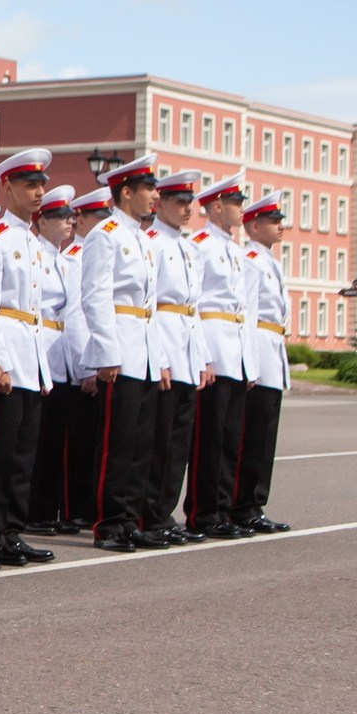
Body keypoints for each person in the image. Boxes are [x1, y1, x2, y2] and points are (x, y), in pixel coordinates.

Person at [0, 149, 59, 566]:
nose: (39, 192)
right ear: (7, 188)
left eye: (41, 184)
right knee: (0, 453)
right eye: (31, 185)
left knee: (24, 452)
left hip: (31, 350)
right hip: (8, 346)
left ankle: (11, 530)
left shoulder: (33, 241)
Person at [80, 156, 168, 551]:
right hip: (121, 350)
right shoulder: (107, 234)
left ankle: (130, 519)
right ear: (126, 192)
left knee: (140, 444)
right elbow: (95, 296)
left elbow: (151, 306)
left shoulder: (141, 238)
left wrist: (159, 358)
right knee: (117, 444)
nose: (155, 196)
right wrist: (107, 351)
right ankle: (110, 523)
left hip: (144, 350)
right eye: (148, 189)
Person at [145, 169, 212, 543]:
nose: (187, 209)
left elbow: (195, 307)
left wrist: (200, 359)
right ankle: (150, 512)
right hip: (164, 343)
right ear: (161, 203)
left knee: (178, 441)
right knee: (158, 439)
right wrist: (160, 358)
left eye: (190, 202)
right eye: (180, 202)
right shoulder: (151, 242)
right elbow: (149, 305)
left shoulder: (190, 248)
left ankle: (165, 511)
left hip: (186, 346)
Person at [187, 171, 255, 538]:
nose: (241, 209)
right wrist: (203, 356)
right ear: (216, 207)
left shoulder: (233, 248)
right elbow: (192, 303)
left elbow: (242, 307)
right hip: (213, 343)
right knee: (209, 438)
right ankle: (203, 512)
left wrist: (249, 360)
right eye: (235, 203)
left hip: (235, 347)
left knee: (230, 438)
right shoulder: (200, 244)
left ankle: (223, 510)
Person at [51, 187, 113, 535]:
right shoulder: (75, 257)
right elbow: (76, 317)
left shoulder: (93, 252)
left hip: (93, 361)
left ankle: (83, 506)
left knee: (89, 443)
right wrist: (87, 367)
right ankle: (74, 509)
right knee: (74, 447)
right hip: (81, 364)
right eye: (97, 217)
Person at [234, 191, 293, 534]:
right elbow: (249, 313)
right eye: (274, 221)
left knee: (265, 434)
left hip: (273, 349)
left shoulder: (269, 260)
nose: (280, 226)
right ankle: (242, 505)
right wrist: (249, 363)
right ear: (254, 226)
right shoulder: (251, 261)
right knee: (252, 434)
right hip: (258, 347)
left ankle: (254, 502)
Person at [26, 184, 80, 534]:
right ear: (41, 221)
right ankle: (35, 510)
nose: (68, 222)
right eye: (60, 216)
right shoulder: (36, 253)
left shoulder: (65, 260)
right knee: (37, 438)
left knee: (56, 438)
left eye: (70, 216)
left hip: (60, 351)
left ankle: (50, 508)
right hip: (39, 344)